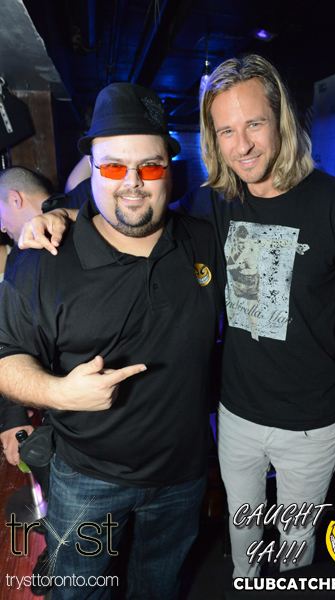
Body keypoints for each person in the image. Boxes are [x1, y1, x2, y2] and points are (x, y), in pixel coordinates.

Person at [16, 55, 335, 579]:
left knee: (296, 544)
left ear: (281, 119)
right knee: (243, 542)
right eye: (226, 131)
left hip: (312, 422)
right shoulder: (214, 203)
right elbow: (132, 195)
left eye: (254, 124)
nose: (242, 145)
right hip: (235, 416)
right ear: (213, 139)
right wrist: (61, 209)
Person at [0, 82, 223, 600]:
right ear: (93, 170)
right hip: (86, 478)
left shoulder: (204, 241)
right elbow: (6, 354)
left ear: (169, 167)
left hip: (184, 475)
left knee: (159, 586)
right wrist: (59, 392)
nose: (133, 183)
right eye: (114, 167)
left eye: (149, 166)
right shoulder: (42, 259)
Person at [0, 166, 90, 468]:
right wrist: (14, 416)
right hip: (72, 426)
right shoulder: (19, 256)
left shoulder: (87, 200)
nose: (2, 228)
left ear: (15, 198)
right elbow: (13, 337)